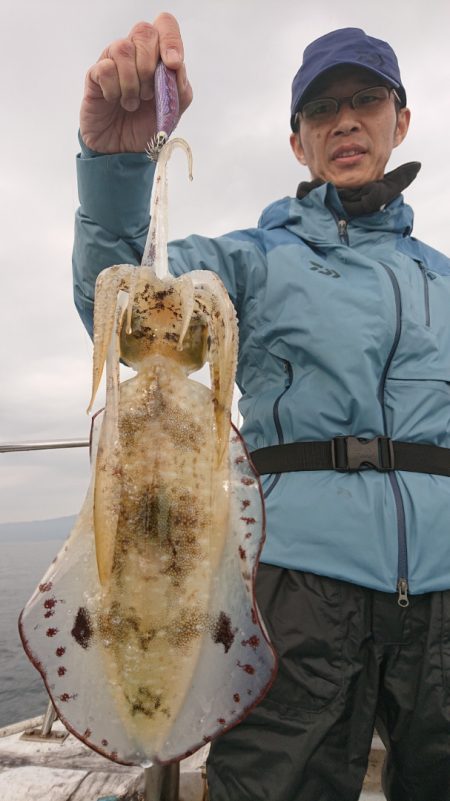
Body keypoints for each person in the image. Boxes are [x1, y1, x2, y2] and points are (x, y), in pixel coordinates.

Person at [73, 16, 450, 801]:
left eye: (364, 100)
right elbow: (129, 303)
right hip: (302, 589)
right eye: (320, 110)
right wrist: (117, 164)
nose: (344, 120)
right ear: (297, 142)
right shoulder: (252, 258)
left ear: (400, 119)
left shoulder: (440, 277)